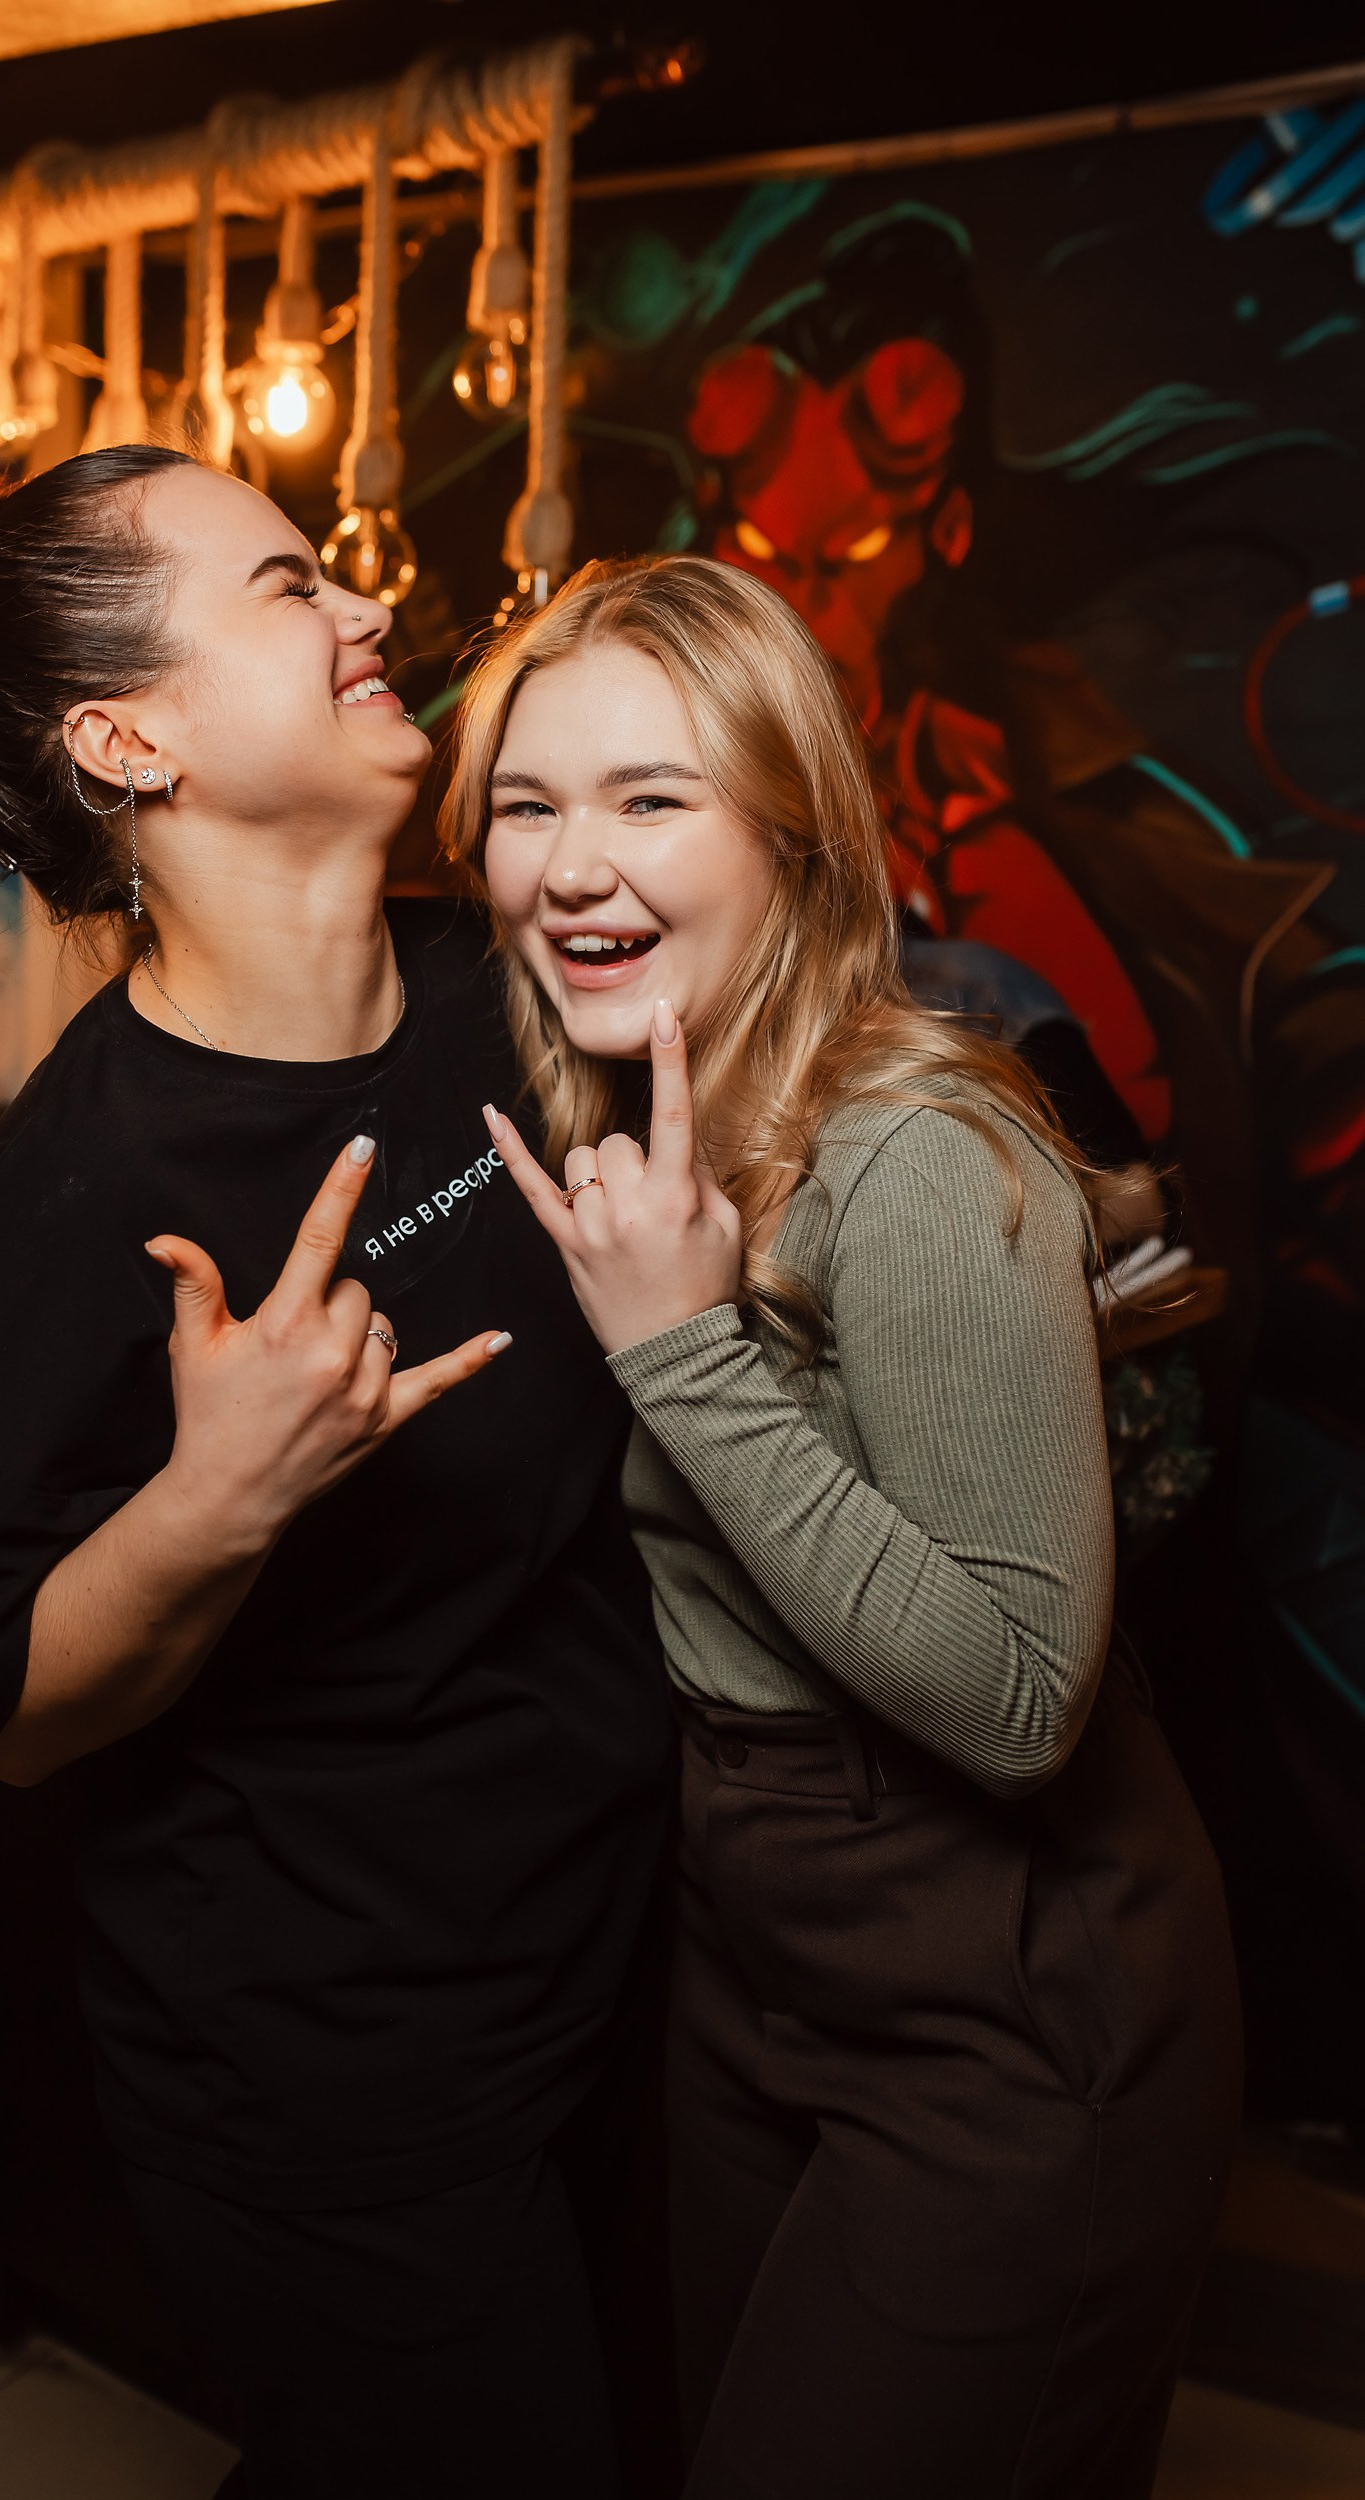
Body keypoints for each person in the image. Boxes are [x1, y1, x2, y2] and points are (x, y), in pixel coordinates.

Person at [0, 449, 673, 2500]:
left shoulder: (517, 998)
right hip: (338, 2077)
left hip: (626, 1963)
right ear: (127, 741)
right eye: (287, 584)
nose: (365, 609)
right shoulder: (69, 1201)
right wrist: (211, 1501)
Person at [439, 552, 1243, 2499]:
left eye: (651, 797)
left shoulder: (920, 1148)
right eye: (529, 805)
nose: (570, 866)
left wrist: (687, 1354)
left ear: (791, 828)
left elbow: (1023, 1700)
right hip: (752, 1942)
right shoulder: (625, 1118)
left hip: (1004, 1988)